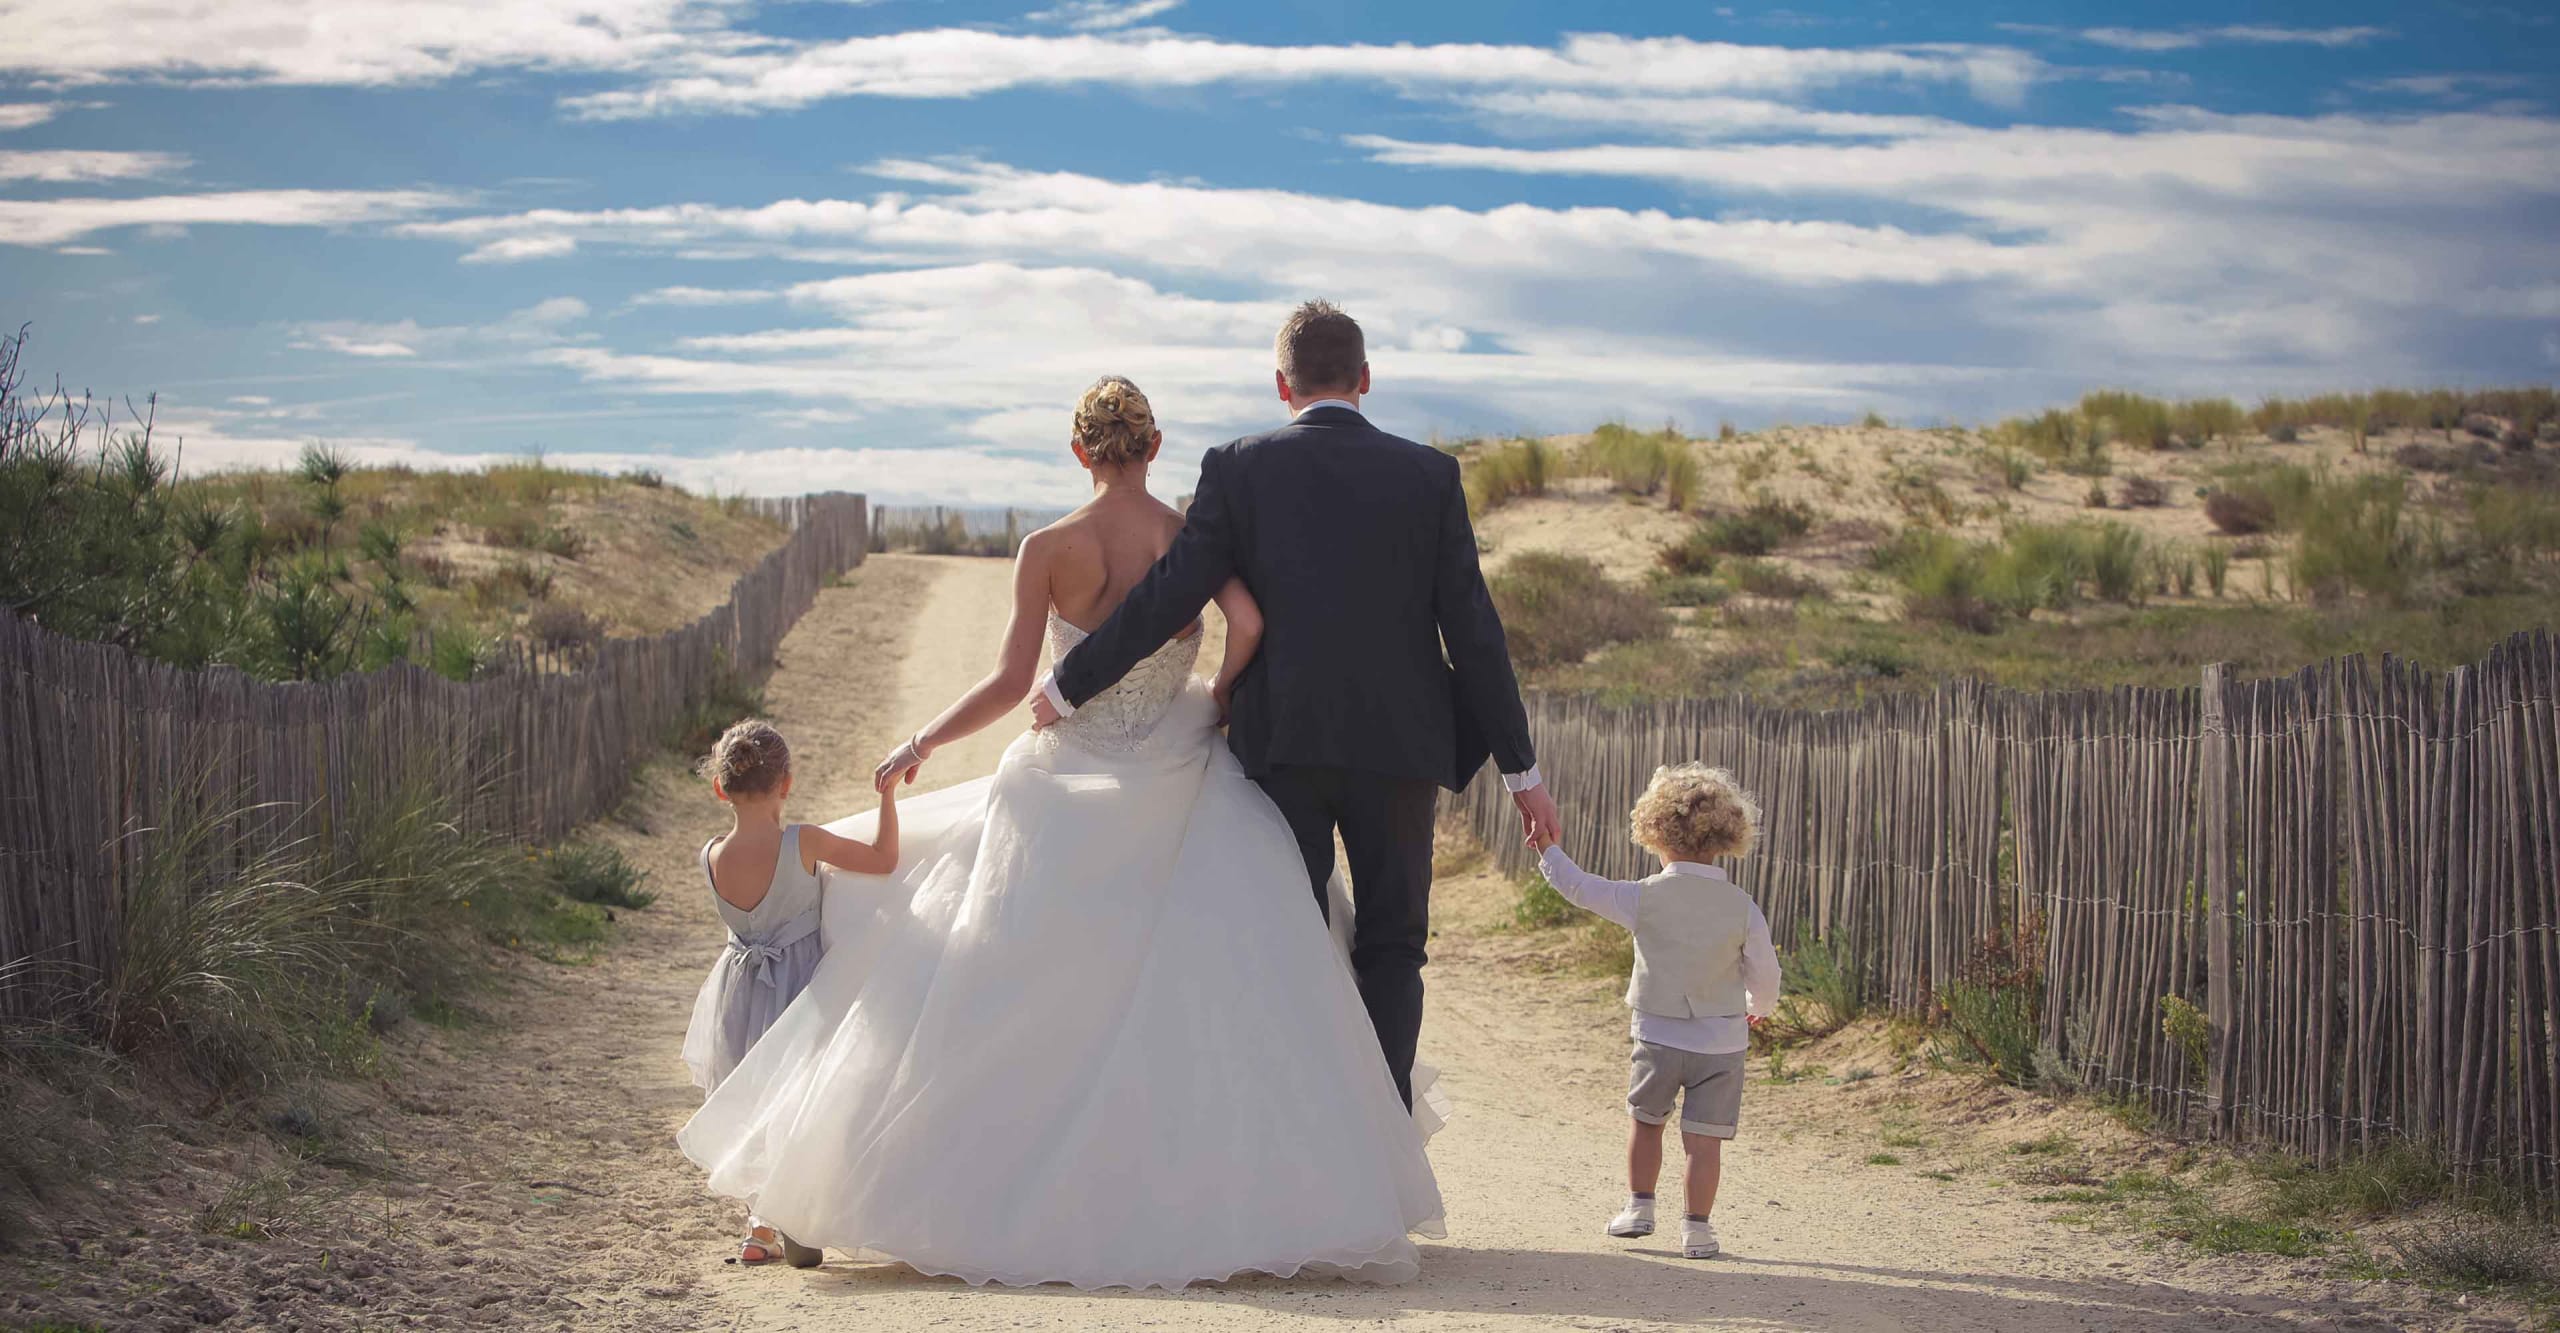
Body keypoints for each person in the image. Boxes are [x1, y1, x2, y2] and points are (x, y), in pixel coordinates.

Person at [676, 375, 1445, 1290]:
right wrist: (1225, 695)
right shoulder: (1189, 535)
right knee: (1231, 964)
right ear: (1154, 447)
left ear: (1079, 453)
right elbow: (1247, 620)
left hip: (1065, 768)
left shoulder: (1048, 546)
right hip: (1180, 761)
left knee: (991, 972)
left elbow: (1012, 682)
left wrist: (924, 740)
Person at [1035, 300, 1558, 1108]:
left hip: (1283, 747)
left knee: (1290, 937)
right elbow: (1475, 633)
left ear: (1282, 384)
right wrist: (1523, 774)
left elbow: (1172, 593)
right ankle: (1381, 1144)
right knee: (1393, 944)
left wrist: (1070, 683)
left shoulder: (1237, 467)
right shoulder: (1430, 475)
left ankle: (1303, 1141)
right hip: (1401, 750)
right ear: (1366, 379)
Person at [1530, 763, 1779, 1260]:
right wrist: (1759, 1007)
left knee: (1646, 1122)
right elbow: (1765, 970)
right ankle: (1698, 1230)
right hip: (1722, 1042)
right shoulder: (1742, 905)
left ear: (1656, 833)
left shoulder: (1644, 897)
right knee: (1704, 1141)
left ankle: (1640, 1208)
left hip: (1659, 1036)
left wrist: (1547, 849)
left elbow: (1581, 888)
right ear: (1728, 836)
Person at [680, 718, 900, 1267]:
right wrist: (889, 797)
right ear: (787, 783)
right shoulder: (802, 842)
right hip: (801, 989)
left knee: (751, 1097)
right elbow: (883, 860)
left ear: (719, 787)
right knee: (804, 1098)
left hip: (736, 992)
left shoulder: (710, 855)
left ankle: (760, 1226)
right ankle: (800, 1212)